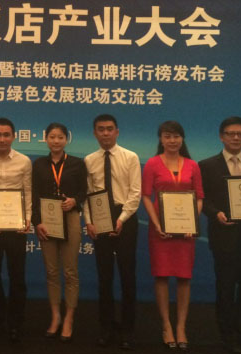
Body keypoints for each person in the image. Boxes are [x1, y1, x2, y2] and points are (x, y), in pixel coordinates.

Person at [199, 117, 241, 354]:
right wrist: (215, 213)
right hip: (224, 236)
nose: (236, 137)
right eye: (231, 133)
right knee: (226, 288)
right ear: (222, 137)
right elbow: (202, 199)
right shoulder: (207, 166)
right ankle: (227, 335)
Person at [141, 121, 204, 351]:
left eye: (176, 136)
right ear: (161, 139)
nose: (172, 140)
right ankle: (167, 325)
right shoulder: (152, 163)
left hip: (186, 230)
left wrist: (192, 222)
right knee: (162, 276)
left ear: (182, 139)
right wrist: (156, 223)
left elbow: (199, 197)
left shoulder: (192, 165)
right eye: (167, 136)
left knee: (184, 277)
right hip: (161, 229)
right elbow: (146, 196)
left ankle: (181, 327)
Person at [82, 114, 141, 350]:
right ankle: (106, 327)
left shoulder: (130, 157)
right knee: (104, 277)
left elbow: (135, 192)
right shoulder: (89, 160)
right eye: (101, 129)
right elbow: (88, 195)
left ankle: (128, 329)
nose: (105, 133)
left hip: (125, 217)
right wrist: (89, 222)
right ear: (95, 133)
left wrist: (122, 218)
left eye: (109, 129)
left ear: (117, 132)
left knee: (127, 276)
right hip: (100, 218)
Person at [32, 122, 87, 343]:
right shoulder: (39, 164)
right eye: (52, 137)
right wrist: (37, 222)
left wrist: (75, 200)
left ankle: (69, 318)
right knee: (52, 271)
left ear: (66, 139)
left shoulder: (77, 164)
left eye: (60, 137)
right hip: (47, 221)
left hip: (70, 217)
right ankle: (55, 316)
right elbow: (34, 194)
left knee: (70, 271)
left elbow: (84, 191)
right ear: (46, 139)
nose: (56, 141)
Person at [0, 118, 32, 343]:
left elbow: (28, 191)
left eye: (6, 135)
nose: (2, 139)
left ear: (14, 137)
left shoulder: (24, 161)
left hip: (16, 227)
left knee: (17, 275)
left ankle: (16, 321)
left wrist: (27, 219)